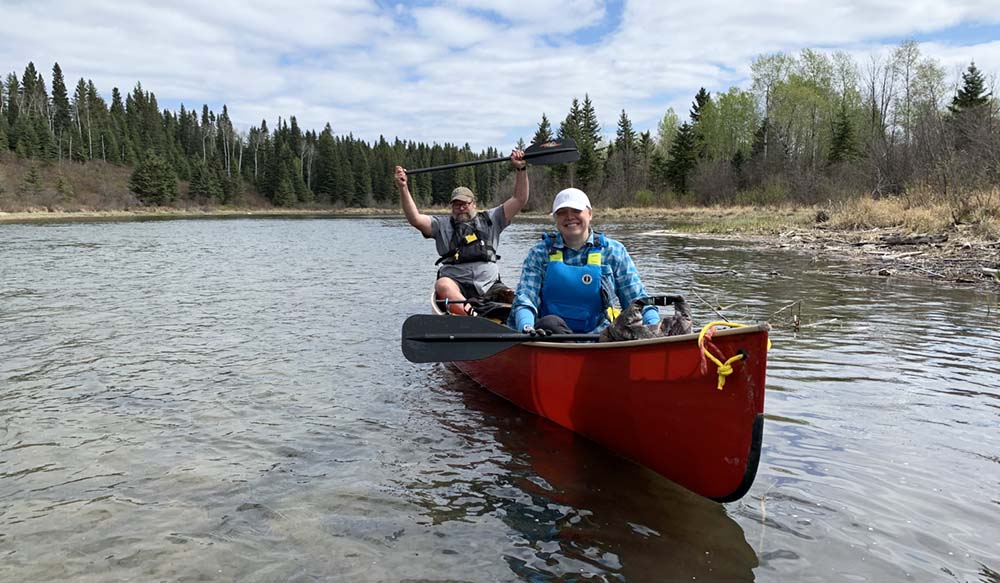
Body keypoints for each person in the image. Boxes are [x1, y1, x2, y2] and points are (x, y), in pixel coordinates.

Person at [509, 187, 660, 335]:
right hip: (549, 336)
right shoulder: (539, 253)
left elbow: (637, 300)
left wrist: (654, 326)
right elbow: (526, 298)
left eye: (576, 211)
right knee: (550, 323)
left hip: (600, 338)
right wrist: (526, 326)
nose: (569, 217)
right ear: (555, 218)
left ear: (590, 214)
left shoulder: (614, 251)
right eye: (562, 213)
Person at [395, 151, 528, 315]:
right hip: (456, 285)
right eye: (456, 204)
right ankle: (473, 318)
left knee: (512, 297)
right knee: (442, 285)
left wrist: (521, 170)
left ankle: (522, 325)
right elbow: (415, 219)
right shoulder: (441, 225)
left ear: (473, 204)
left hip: (489, 284)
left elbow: (519, 199)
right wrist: (403, 187)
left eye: (465, 203)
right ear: (452, 207)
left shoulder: (492, 219)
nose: (461, 207)